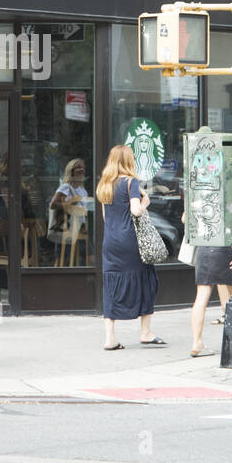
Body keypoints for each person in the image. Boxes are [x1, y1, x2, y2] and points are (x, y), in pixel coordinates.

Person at [97, 145, 163, 350]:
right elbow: (135, 211)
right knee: (147, 278)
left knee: (111, 285)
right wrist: (146, 203)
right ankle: (145, 331)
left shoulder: (105, 185)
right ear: (129, 161)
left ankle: (110, 338)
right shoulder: (131, 182)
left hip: (110, 242)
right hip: (130, 241)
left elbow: (106, 217)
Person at [183, 209, 232, 357]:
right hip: (223, 247)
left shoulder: (198, 197)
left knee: (201, 297)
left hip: (204, 248)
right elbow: (231, 226)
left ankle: (196, 342)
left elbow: (185, 218)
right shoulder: (225, 194)